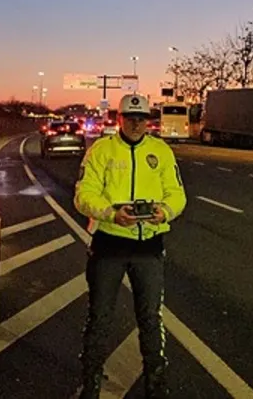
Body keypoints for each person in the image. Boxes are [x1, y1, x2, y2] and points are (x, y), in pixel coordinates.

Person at [74, 93, 187, 399]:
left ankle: (155, 383)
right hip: (109, 245)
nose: (137, 124)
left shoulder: (161, 151)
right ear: (119, 118)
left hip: (149, 246)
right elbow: (84, 195)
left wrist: (165, 212)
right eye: (130, 118)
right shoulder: (101, 150)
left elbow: (177, 193)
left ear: (148, 120)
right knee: (100, 316)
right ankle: (91, 384)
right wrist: (111, 214)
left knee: (150, 318)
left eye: (142, 119)